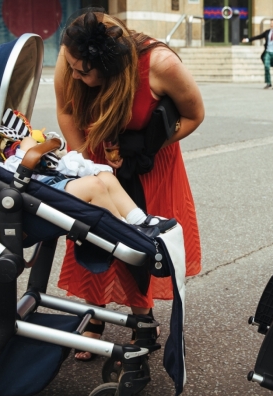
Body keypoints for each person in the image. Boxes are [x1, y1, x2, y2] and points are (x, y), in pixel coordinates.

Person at [54, 10, 204, 361]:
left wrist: (145, 147)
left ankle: (142, 318)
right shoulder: (73, 52)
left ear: (108, 67)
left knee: (139, 237)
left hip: (150, 162)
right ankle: (95, 313)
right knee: (93, 233)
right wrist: (84, 163)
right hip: (96, 156)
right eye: (72, 67)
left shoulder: (160, 64)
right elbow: (66, 110)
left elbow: (194, 115)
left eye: (82, 71)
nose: (73, 73)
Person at [0, 134, 176, 236]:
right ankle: (127, 231)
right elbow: (22, 159)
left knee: (105, 177)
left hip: (54, 181)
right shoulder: (7, 163)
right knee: (94, 185)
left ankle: (139, 220)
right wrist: (29, 146)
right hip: (36, 191)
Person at [242, 19, 273, 89]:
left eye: (272, 23)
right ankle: (268, 83)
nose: (271, 24)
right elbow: (258, 36)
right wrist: (248, 40)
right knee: (266, 67)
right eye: (270, 23)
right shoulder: (267, 32)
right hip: (268, 52)